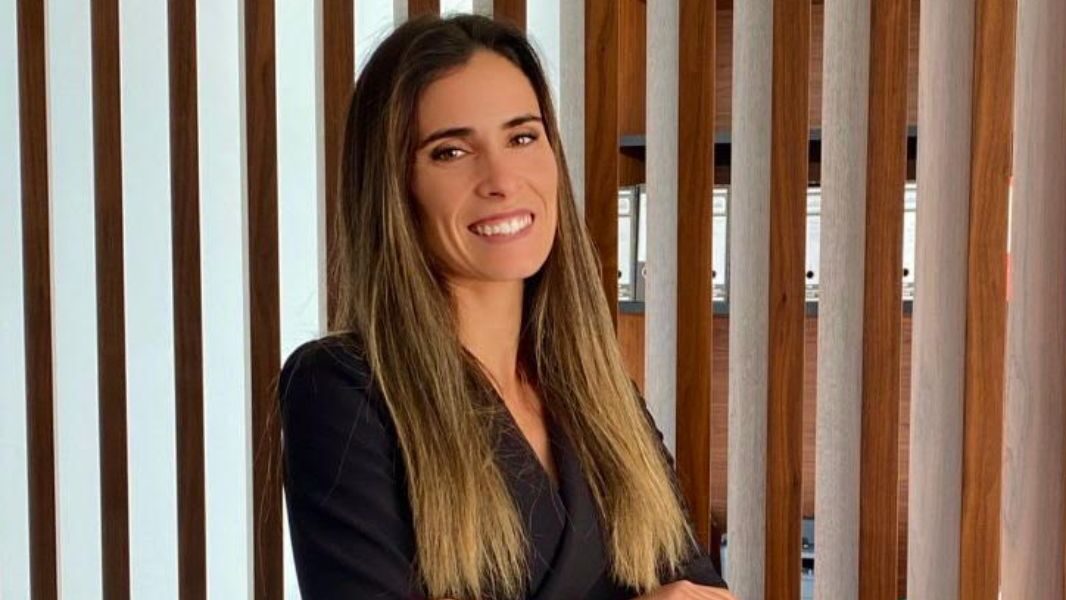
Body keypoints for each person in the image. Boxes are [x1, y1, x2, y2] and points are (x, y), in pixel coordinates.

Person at [278, 13, 735, 600]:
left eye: (522, 137)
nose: (501, 178)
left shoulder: (594, 385)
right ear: (394, 188)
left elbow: (694, 583)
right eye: (450, 151)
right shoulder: (343, 387)